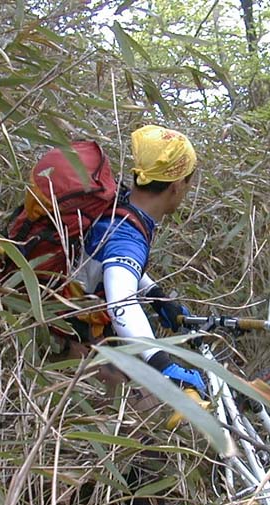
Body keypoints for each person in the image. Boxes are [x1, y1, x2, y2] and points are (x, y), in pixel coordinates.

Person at [60, 124, 207, 401]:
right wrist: (163, 365)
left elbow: (111, 264)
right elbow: (121, 303)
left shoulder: (120, 204)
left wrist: (156, 296)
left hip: (65, 321)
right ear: (176, 187)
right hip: (71, 339)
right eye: (189, 181)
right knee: (153, 406)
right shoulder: (128, 237)